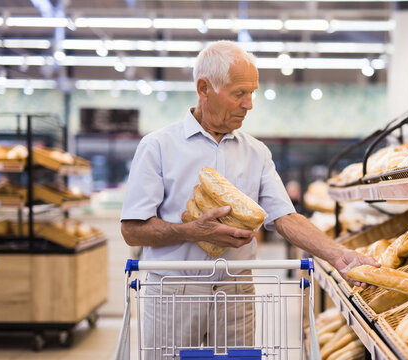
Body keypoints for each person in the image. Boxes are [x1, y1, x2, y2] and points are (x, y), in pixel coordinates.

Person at [120, 40, 378, 356]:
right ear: (204, 88)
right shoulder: (157, 147)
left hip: (236, 290)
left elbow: (285, 217)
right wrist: (191, 231)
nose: (249, 104)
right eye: (239, 93)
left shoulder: (256, 153)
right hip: (176, 291)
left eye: (252, 93)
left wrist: (337, 255)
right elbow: (132, 229)